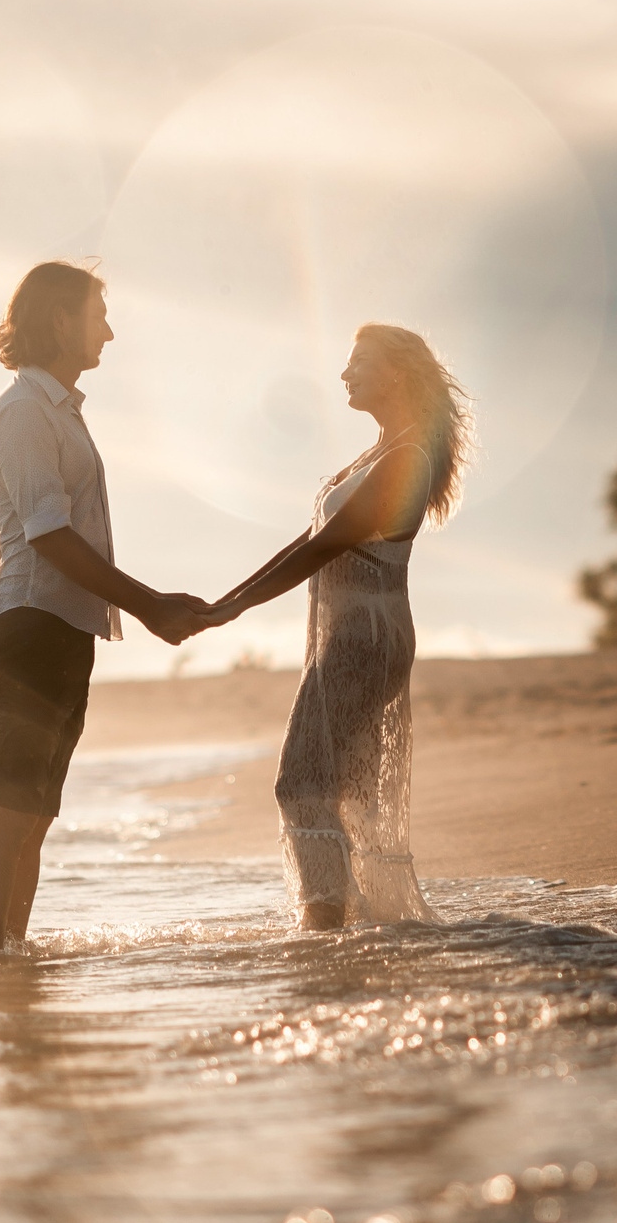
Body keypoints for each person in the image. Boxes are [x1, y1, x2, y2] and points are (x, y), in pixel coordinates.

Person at [0, 262, 206, 951]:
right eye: (99, 314)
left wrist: (145, 606)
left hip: (65, 632)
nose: (109, 330)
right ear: (60, 319)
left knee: (35, 819)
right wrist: (149, 605)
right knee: (8, 814)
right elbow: (48, 536)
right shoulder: (23, 411)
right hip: (25, 629)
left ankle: (11, 962)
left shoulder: (62, 411)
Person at [196, 325, 470, 928]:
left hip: (365, 637)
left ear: (396, 373)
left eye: (359, 362)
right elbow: (311, 538)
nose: (345, 374)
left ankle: (324, 927)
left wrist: (233, 609)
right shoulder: (380, 451)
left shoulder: (407, 457)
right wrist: (227, 601)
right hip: (352, 635)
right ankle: (348, 924)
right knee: (334, 786)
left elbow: (327, 546)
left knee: (304, 783)